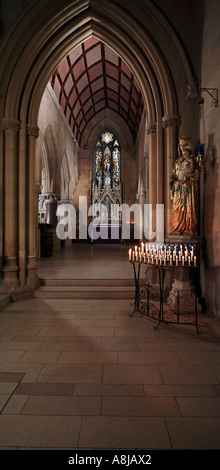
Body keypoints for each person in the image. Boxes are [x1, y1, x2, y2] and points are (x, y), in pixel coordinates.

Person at [169, 143, 199, 235]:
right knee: (177, 208)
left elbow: (194, 172)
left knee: (187, 207)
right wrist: (172, 178)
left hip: (188, 188)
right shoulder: (178, 162)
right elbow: (174, 173)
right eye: (181, 146)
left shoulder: (191, 161)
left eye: (184, 146)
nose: (182, 148)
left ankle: (188, 227)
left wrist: (190, 176)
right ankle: (178, 227)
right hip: (178, 188)